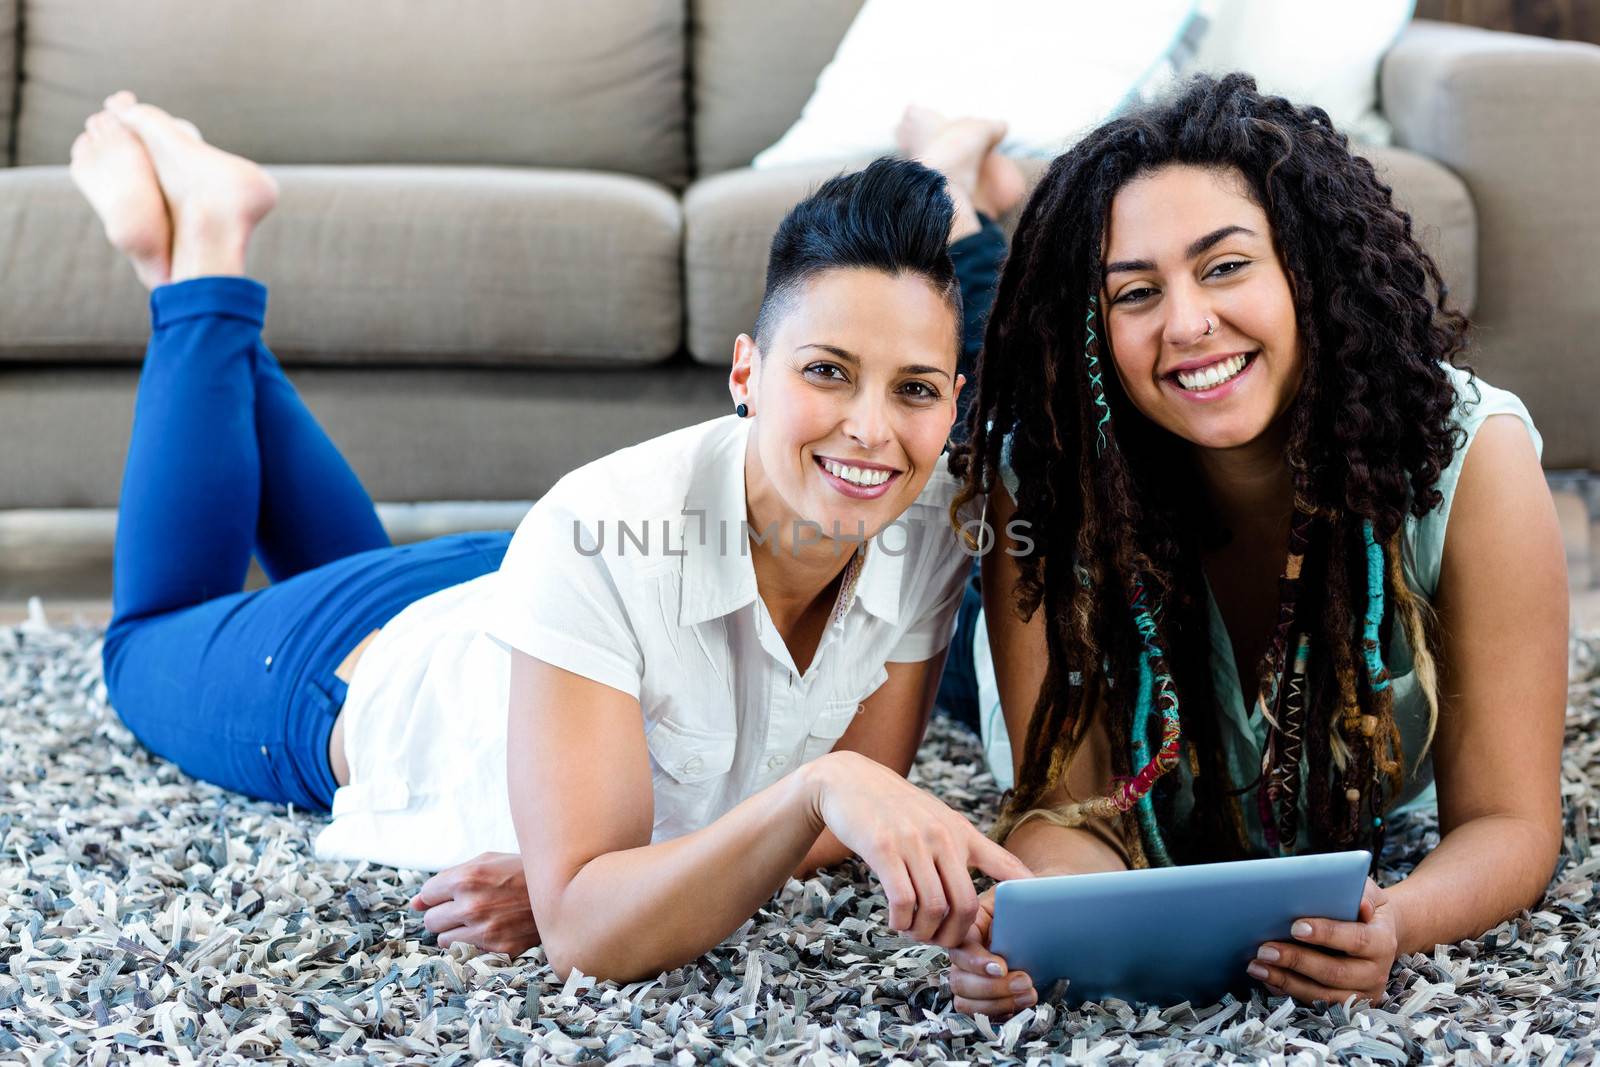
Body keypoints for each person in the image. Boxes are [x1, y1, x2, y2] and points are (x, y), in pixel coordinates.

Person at [70, 92, 1034, 974]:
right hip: (364, 669)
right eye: (826, 370)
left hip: (519, 591)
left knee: (361, 548)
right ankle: (204, 245)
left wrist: (656, 866)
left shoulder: (930, 517)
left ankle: (194, 270)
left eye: (913, 388)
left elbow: (850, 818)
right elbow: (589, 928)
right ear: (746, 372)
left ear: (952, 399)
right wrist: (784, 802)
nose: (872, 428)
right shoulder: (603, 525)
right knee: (148, 639)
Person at [941, 74, 1567, 1015]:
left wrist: (1395, 919)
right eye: (1136, 291)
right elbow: (1060, 810)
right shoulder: (1045, 477)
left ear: (1307, 271)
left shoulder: (1477, 458)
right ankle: (948, 179)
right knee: (996, 338)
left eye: (1225, 266)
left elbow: (1512, 822)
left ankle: (972, 177)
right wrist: (1051, 926)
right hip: (1017, 593)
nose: (1188, 321)